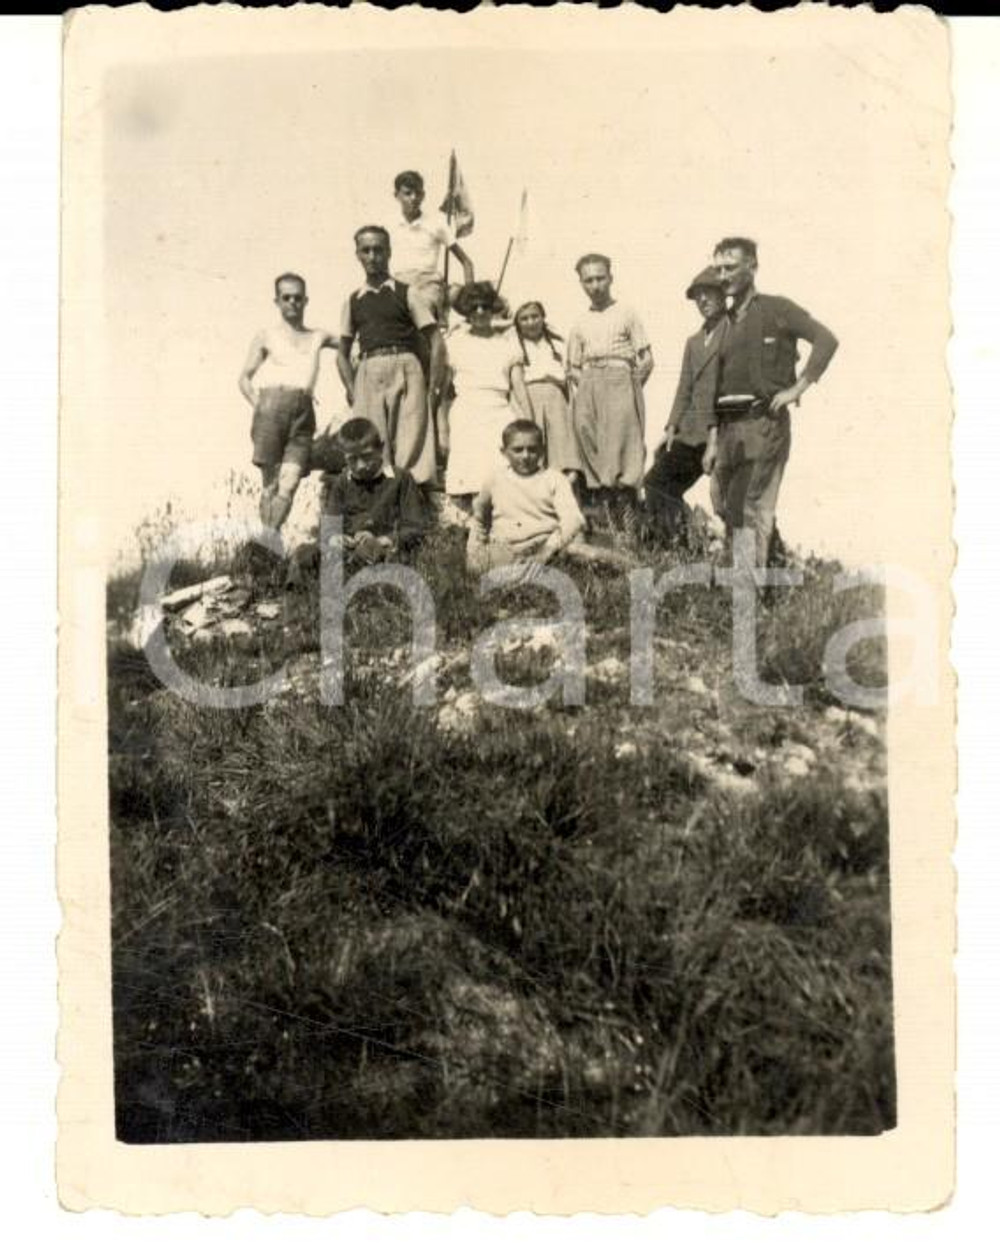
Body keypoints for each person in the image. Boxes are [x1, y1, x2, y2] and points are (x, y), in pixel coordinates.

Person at [703, 237, 839, 567]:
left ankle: (746, 599)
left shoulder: (777, 309)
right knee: (724, 504)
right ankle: (775, 567)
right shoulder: (724, 323)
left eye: (731, 267)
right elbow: (716, 385)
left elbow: (826, 340)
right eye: (719, 269)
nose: (724, 276)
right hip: (727, 429)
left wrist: (797, 388)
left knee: (751, 508)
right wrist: (711, 442)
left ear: (753, 266)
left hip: (763, 424)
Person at [337, 226, 445, 488]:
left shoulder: (406, 292)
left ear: (389, 253)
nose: (373, 256)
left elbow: (435, 341)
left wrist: (433, 386)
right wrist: (352, 388)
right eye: (366, 250)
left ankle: (412, 506)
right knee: (371, 441)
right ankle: (379, 507)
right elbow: (341, 353)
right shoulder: (353, 300)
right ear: (358, 255)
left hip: (405, 366)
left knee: (412, 440)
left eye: (379, 250)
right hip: (368, 369)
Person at [238, 272, 338, 530]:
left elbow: (352, 342)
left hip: (304, 410)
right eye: (286, 298)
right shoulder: (266, 335)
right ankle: (268, 544)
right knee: (270, 482)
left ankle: (268, 537)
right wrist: (259, 404)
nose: (292, 303)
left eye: (297, 298)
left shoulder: (318, 336)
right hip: (271, 406)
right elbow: (244, 379)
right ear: (277, 301)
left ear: (306, 301)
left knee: (290, 480)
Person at [467, 419, 633, 575]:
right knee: (479, 565)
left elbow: (572, 520)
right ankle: (523, 574)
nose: (525, 456)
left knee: (585, 553)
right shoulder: (495, 480)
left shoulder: (553, 479)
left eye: (532, 449)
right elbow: (480, 519)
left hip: (548, 545)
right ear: (504, 452)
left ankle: (632, 566)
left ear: (542, 450)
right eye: (518, 450)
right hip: (508, 548)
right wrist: (475, 550)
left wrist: (546, 551)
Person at [566, 254, 654, 538]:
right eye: (588, 280)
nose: (595, 285)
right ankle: (608, 528)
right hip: (589, 383)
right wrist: (590, 388)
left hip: (620, 379)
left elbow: (647, 359)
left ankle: (629, 530)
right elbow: (573, 367)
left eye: (600, 278)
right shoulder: (579, 321)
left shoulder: (626, 313)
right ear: (581, 283)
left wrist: (629, 388)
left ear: (610, 278)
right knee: (591, 447)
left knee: (622, 454)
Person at [286, 418, 428, 587]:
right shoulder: (342, 482)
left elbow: (415, 527)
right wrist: (337, 538)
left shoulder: (400, 479)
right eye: (352, 459)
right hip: (346, 551)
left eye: (367, 457)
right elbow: (330, 527)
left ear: (381, 448)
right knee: (304, 552)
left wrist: (384, 539)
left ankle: (354, 590)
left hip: (381, 549)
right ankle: (298, 599)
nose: (361, 466)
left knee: (369, 551)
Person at [643, 266, 727, 548]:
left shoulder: (735, 333)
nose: (703, 301)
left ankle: (706, 538)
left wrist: (714, 441)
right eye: (698, 297)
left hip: (722, 430)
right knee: (656, 482)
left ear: (724, 293)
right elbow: (684, 388)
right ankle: (685, 542)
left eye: (709, 294)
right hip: (690, 431)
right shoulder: (693, 342)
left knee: (728, 501)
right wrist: (670, 428)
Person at [443, 281, 520, 512]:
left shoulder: (507, 343)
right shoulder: (454, 342)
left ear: (492, 308)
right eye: (473, 307)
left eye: (485, 306)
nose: (479, 312)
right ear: (466, 310)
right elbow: (445, 388)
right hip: (467, 409)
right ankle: (469, 531)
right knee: (469, 474)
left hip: (499, 409)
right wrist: (441, 428)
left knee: (501, 471)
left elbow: (518, 387)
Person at [509, 300, 582, 489]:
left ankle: (566, 496)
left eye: (535, 316)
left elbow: (567, 375)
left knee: (564, 454)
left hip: (556, 399)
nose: (531, 322)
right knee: (533, 450)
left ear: (543, 318)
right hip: (528, 399)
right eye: (524, 319)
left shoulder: (557, 343)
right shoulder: (513, 343)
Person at [390, 170, 475, 325]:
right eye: (407, 193)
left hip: (427, 285)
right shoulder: (389, 225)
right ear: (396, 196)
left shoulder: (436, 223)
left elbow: (467, 262)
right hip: (398, 285)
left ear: (423, 194)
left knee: (423, 318)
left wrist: (473, 300)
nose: (413, 198)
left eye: (418, 193)